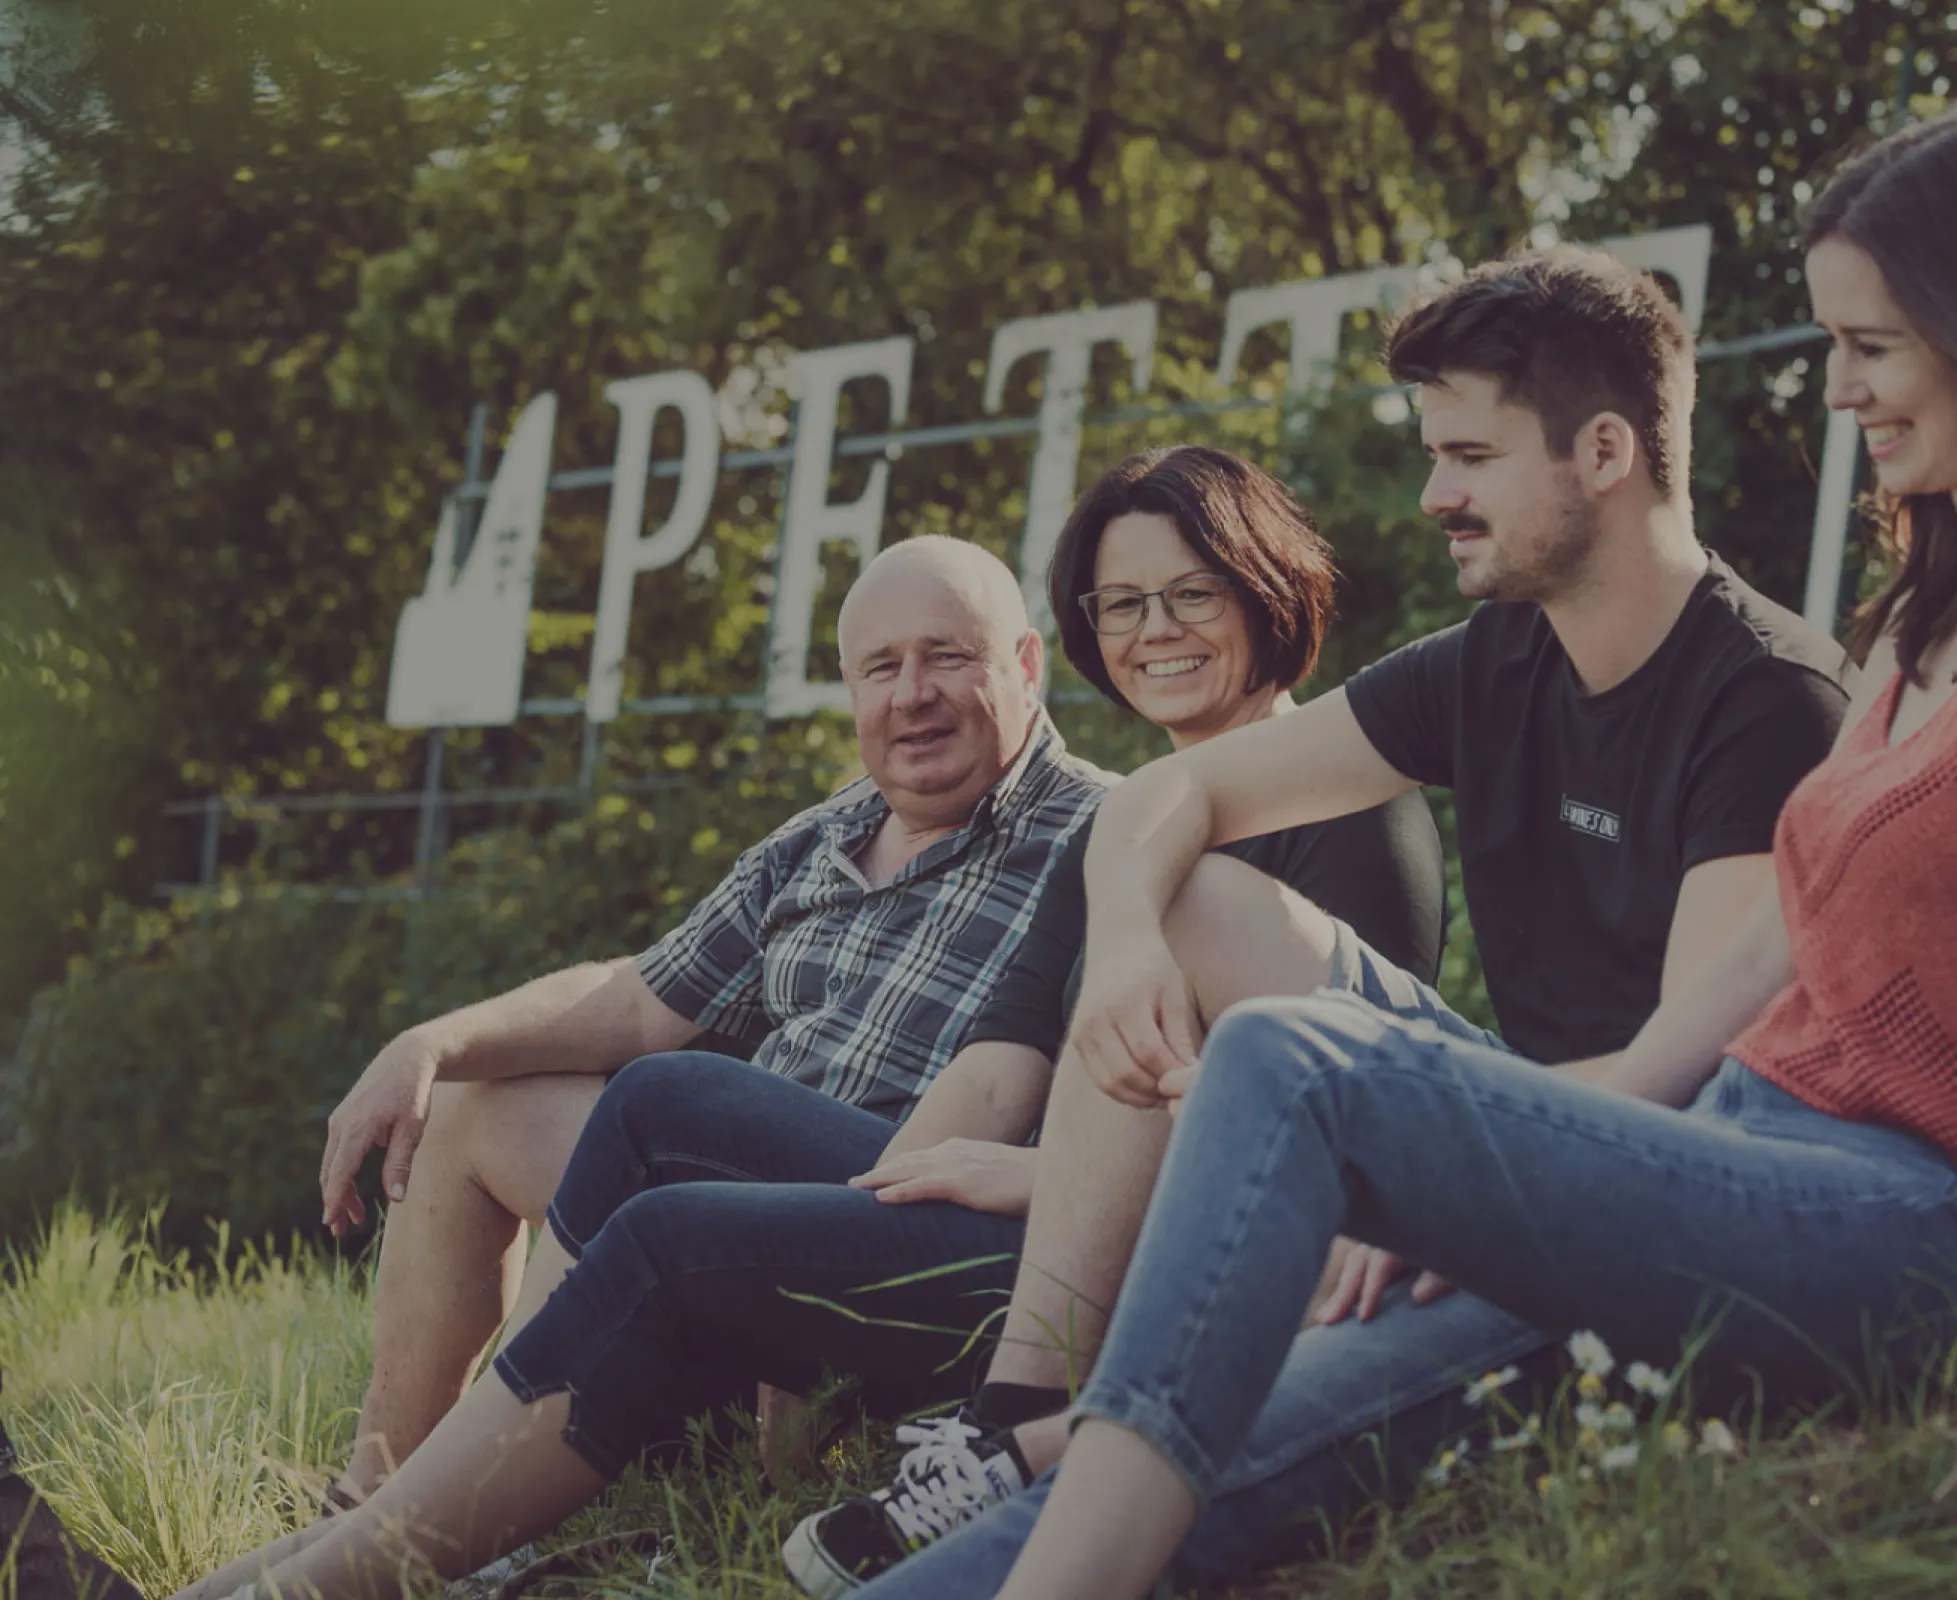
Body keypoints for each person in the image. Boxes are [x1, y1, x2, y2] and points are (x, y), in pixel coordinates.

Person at [953, 101, 1957, 1600]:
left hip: (1928, 1234)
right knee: (1224, 1459)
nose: (1837, 387)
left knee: (1284, 1060)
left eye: (1873, 345)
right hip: (1738, 1167)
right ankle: (1023, 1523)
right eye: (1833, 342)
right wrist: (1512, 1170)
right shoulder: (1925, 610)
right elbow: (1777, 949)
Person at [165, 447, 1447, 1600]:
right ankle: (403, 1507)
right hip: (981, 1224)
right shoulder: (1128, 832)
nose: (1154, 631)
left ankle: (423, 1531)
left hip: (1121, 1279)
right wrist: (824, 1249)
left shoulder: (1302, 817)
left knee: (667, 1123)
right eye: (1125, 603)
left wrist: (1014, 1183)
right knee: (592, 1114)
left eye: (1192, 595)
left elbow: (1338, 1124)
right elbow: (984, 1086)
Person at [814, 242, 1854, 1597]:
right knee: (1182, 884)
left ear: (1604, 450)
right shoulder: (1497, 661)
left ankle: (1061, 1468)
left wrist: (1418, 1160)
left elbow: (1684, 1087)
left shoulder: (1768, 697)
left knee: (1227, 1454)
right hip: (1493, 1112)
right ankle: (1016, 1411)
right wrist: (1128, 943)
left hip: (1650, 1195)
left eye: (1469, 458)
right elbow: (1161, 801)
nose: (1435, 495)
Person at [311, 534, 1108, 1507]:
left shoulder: (1101, 833)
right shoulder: (822, 838)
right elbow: (643, 1000)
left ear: (1024, 664)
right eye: (880, 667)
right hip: (727, 1195)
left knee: (668, 1098)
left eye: (946, 655)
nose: (912, 694)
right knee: (479, 1101)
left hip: (932, 1230)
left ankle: (475, 1489)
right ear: (850, 689)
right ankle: (373, 1494)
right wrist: (428, 1042)